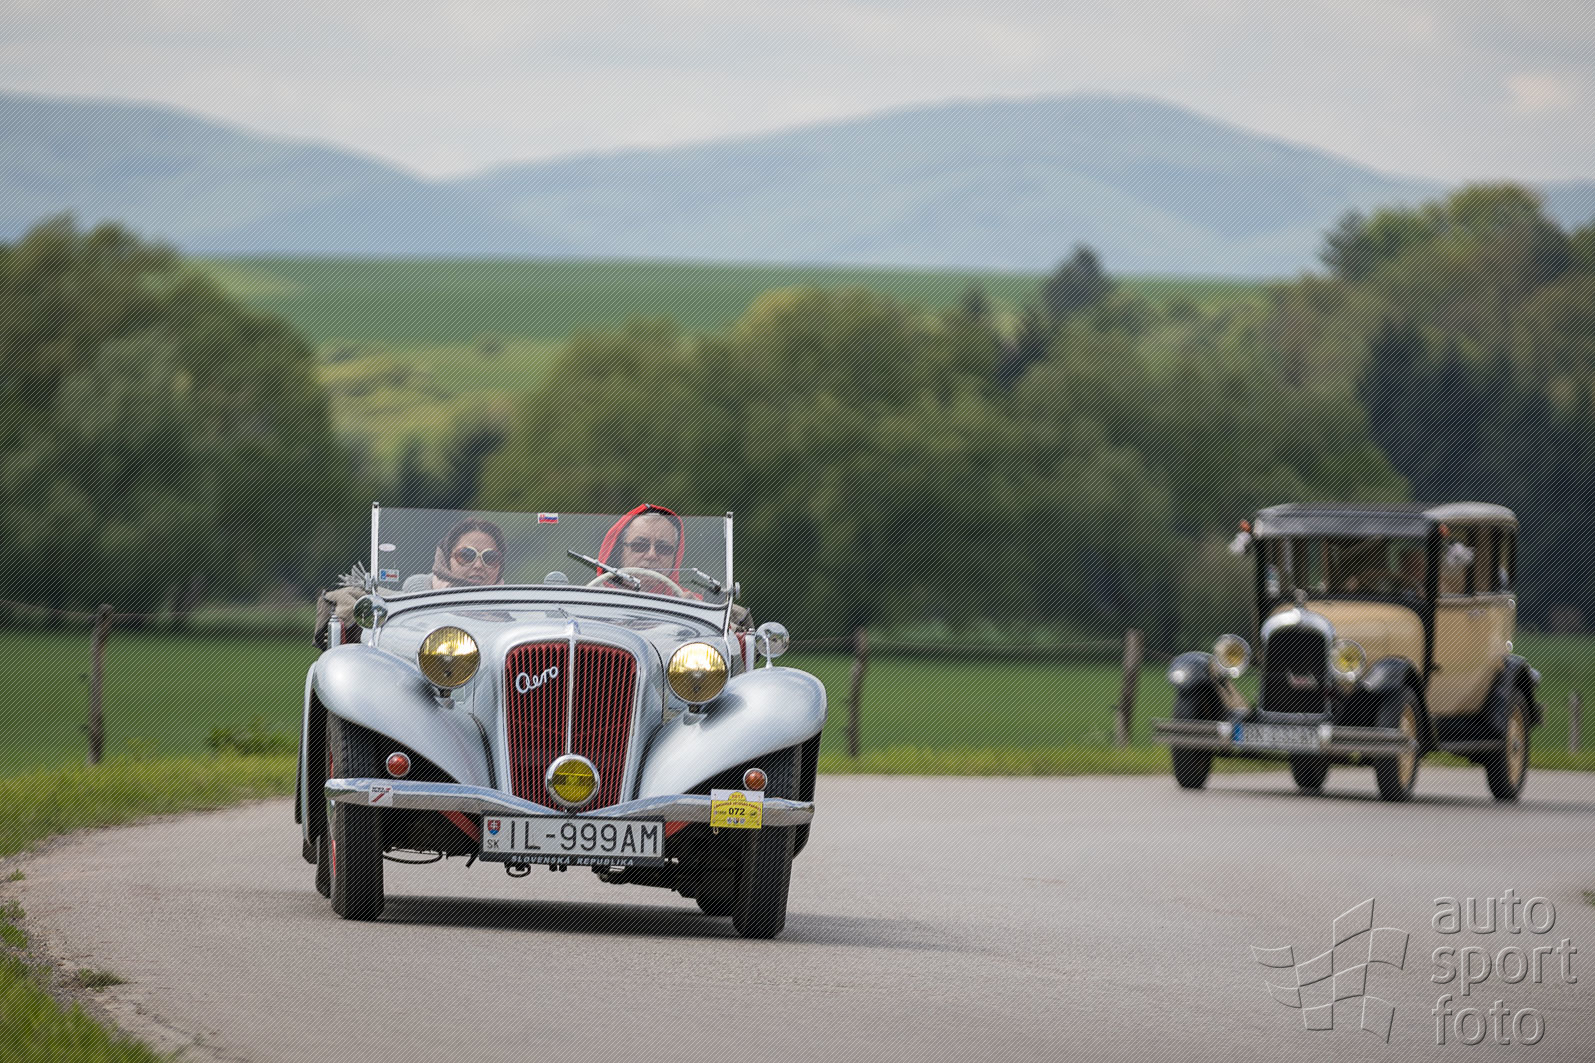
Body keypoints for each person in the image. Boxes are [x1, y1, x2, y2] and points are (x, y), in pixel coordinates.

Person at [594, 504, 687, 595]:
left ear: (675, 557)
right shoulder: (591, 598)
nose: (651, 555)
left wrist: (689, 604)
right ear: (620, 551)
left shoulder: (688, 602)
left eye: (663, 548)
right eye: (640, 546)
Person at [402, 518, 508, 591]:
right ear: (446, 559)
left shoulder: (513, 604)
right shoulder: (418, 593)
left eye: (490, 558)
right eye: (466, 555)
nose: (478, 565)